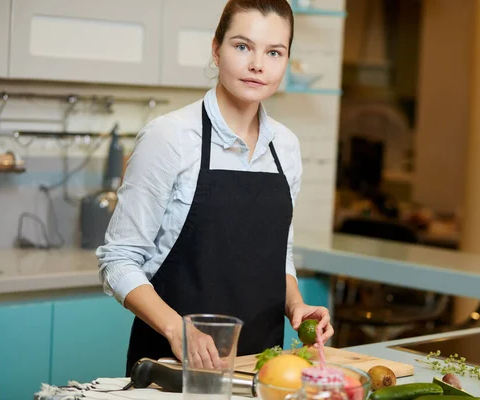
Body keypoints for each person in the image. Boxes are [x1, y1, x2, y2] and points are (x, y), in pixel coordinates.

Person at [96, 0, 334, 376]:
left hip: (261, 370)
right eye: (242, 46)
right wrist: (178, 330)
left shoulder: (285, 147)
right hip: (170, 369)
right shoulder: (170, 137)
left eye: (274, 52)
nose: (258, 64)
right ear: (216, 48)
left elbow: (277, 255)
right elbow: (118, 260)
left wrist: (296, 305)